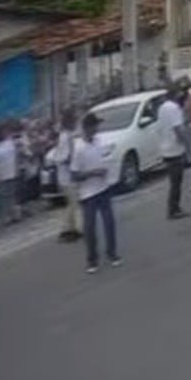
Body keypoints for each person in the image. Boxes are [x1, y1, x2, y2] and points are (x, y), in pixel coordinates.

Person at [71, 113, 121, 274]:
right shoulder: (79, 148)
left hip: (103, 189)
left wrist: (108, 171)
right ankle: (92, 260)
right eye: (94, 126)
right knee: (90, 228)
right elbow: (74, 175)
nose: (97, 129)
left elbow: (105, 159)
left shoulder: (99, 141)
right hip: (88, 194)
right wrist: (93, 173)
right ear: (87, 128)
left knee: (109, 223)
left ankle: (112, 253)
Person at [160, 84, 191, 220]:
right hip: (175, 149)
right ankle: (173, 209)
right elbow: (178, 129)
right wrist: (187, 145)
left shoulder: (162, 107)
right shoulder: (174, 108)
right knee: (176, 182)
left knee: (174, 181)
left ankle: (174, 208)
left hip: (166, 148)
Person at [53, 111, 83, 242]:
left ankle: (71, 228)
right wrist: (73, 163)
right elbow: (65, 157)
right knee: (73, 203)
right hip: (67, 175)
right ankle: (68, 229)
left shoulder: (66, 136)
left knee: (72, 203)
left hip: (66, 175)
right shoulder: (66, 137)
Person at [0, 125, 21, 225]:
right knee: (4, 196)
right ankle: (6, 217)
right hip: (1, 173)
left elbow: (16, 156)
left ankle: (15, 215)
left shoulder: (9, 143)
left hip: (12, 171)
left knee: (13, 194)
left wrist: (17, 167)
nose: (5, 133)